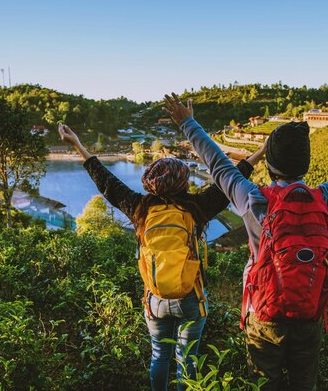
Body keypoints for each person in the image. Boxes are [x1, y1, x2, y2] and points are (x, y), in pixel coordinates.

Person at [162, 93, 328, 390]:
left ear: (270, 163)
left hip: (263, 315)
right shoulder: (326, 198)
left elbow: (217, 163)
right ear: (306, 165)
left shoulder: (253, 199)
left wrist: (188, 123)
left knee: (264, 384)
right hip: (310, 310)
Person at [57, 123, 266, 391]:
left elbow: (106, 181)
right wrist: (260, 151)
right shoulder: (197, 207)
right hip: (191, 296)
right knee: (186, 361)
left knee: (159, 356)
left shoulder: (139, 208)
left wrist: (76, 143)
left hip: (154, 298)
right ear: (182, 181)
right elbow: (232, 178)